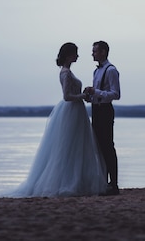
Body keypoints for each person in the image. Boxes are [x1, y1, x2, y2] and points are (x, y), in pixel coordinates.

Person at [9, 42, 107, 197]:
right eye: (75, 53)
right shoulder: (66, 73)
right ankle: (67, 181)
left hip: (75, 111)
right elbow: (67, 96)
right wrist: (83, 96)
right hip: (72, 110)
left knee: (77, 147)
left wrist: (82, 95)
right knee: (69, 147)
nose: (78, 56)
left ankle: (78, 180)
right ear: (69, 55)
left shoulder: (67, 72)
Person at [84, 40, 121, 195]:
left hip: (105, 111)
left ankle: (113, 184)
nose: (92, 53)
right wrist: (90, 96)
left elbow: (116, 94)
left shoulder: (111, 70)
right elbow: (98, 93)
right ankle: (104, 183)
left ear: (103, 52)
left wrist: (96, 93)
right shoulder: (96, 71)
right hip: (96, 110)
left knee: (107, 147)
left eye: (95, 51)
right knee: (99, 147)